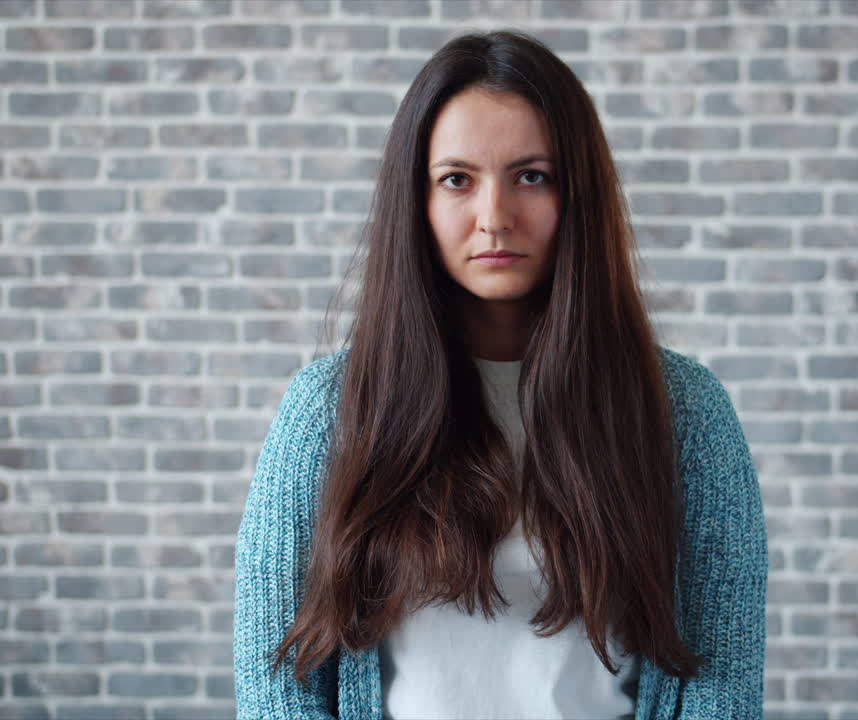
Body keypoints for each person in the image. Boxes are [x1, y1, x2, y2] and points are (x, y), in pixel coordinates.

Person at [233, 30, 766, 720]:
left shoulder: (685, 413)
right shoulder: (330, 412)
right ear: (416, 202)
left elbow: (720, 682)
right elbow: (277, 682)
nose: (494, 218)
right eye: (457, 179)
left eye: (531, 176)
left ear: (577, 195)